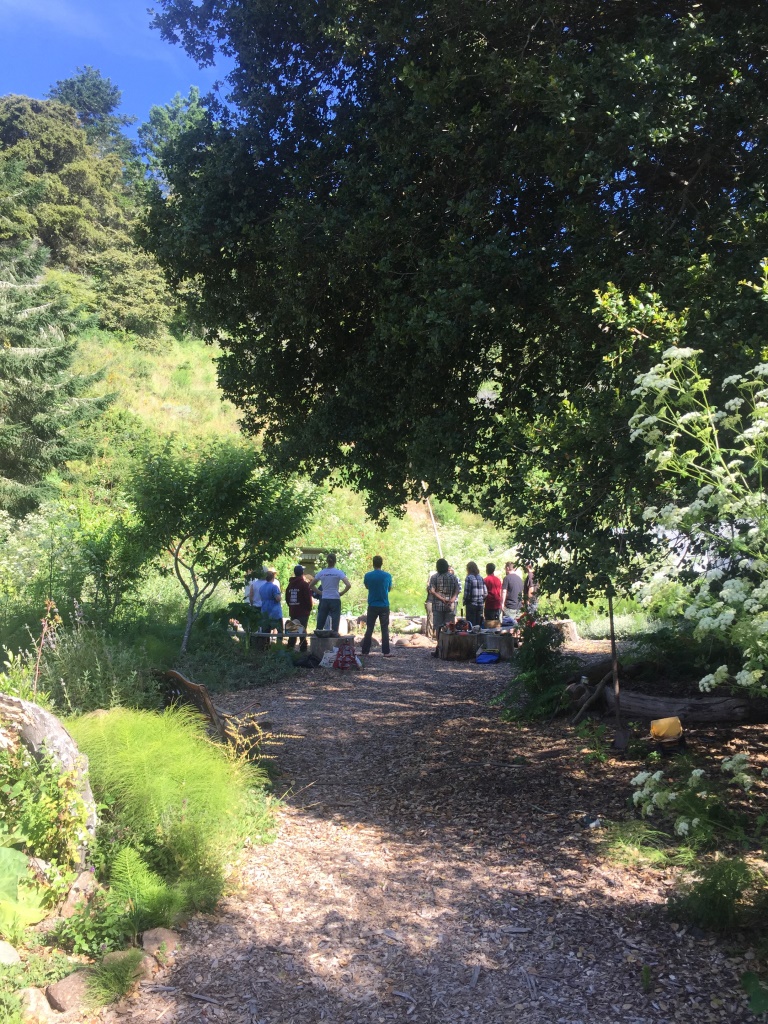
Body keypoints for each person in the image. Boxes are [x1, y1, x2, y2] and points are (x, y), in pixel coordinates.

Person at [361, 555, 394, 657]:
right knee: (384, 629)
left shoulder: (368, 575)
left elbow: (367, 586)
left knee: (369, 628)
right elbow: (389, 588)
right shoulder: (387, 576)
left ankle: (365, 651)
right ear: (382, 564)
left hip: (372, 604)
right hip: (384, 605)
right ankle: (386, 652)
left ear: (373, 564)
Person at [429, 557, 461, 656]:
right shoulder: (453, 577)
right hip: (451, 605)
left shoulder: (434, 577)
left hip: (438, 605)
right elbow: (457, 589)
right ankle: (450, 649)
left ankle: (439, 649)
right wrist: (452, 599)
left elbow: (432, 591)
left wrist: (442, 599)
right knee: (450, 627)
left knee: (438, 627)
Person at [312, 553, 351, 634]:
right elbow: (348, 585)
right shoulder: (338, 572)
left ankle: (318, 636)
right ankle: (334, 636)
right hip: (335, 599)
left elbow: (311, 585)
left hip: (325, 598)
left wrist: (320, 592)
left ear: (327, 561)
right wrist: (341, 593)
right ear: (335, 561)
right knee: (335, 622)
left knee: (321, 621)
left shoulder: (322, 573)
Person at [285, 565, 313, 650]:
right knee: (302, 631)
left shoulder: (290, 585)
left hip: (293, 611)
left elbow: (287, 598)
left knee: (293, 630)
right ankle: (303, 648)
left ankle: (290, 648)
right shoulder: (304, 585)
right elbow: (308, 598)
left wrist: (291, 606)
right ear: (302, 573)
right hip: (303, 611)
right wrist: (309, 608)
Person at [259, 570, 284, 634]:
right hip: (275, 611)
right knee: (280, 631)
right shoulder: (274, 587)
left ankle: (266, 640)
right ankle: (279, 640)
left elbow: (261, 598)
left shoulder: (261, 587)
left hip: (265, 610)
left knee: (265, 632)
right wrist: (280, 597)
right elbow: (278, 598)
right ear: (273, 578)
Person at [463, 561, 487, 627]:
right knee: (478, 625)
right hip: (480, 605)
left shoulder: (468, 578)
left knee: (471, 625)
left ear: (468, 569)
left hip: (471, 605)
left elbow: (467, 593)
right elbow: (485, 593)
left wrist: (465, 601)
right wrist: (481, 600)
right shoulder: (481, 578)